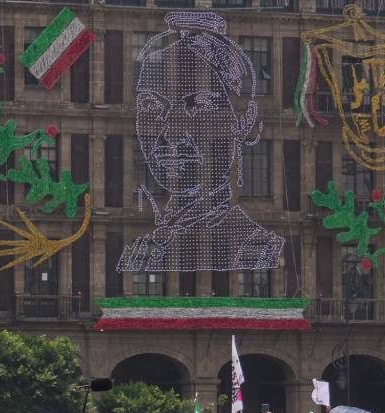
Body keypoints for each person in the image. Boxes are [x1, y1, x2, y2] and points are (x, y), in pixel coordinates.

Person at [118, 11, 282, 274]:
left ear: (244, 121)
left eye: (199, 106)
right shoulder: (142, 244)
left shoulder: (259, 247)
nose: (170, 134)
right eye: (151, 106)